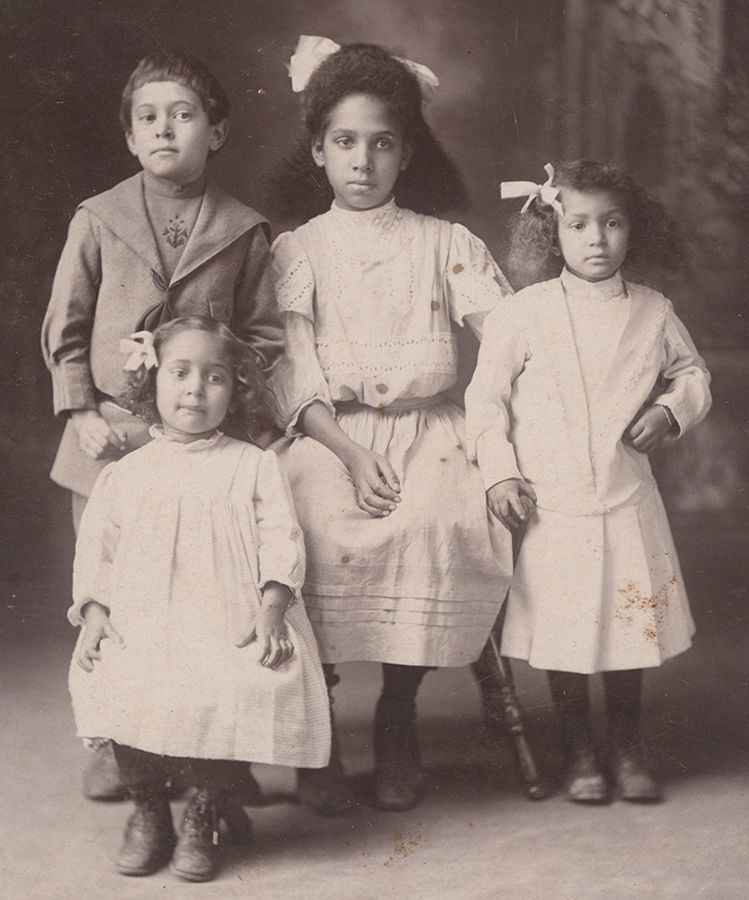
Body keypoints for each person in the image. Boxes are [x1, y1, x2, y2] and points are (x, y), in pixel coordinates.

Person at [267, 37, 513, 814]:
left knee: (442, 517)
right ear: (318, 151)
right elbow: (290, 367)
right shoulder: (297, 250)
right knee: (301, 522)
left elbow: (508, 338)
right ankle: (324, 721)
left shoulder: (446, 243)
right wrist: (344, 449)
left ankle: (399, 709)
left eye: (382, 143)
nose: (363, 161)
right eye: (345, 142)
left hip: (429, 428)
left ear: (407, 153)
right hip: (327, 434)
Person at [41, 51, 282, 800]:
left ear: (216, 131)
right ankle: (124, 744)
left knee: (208, 597)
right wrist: (81, 408)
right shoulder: (99, 218)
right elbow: (66, 324)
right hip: (108, 439)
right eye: (148, 117)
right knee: (121, 594)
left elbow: (265, 339)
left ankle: (221, 746)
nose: (164, 129)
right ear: (129, 137)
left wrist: (221, 397)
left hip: (207, 442)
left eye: (182, 114)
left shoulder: (243, 231)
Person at [466, 160, 712, 803]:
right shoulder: (523, 313)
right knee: (566, 633)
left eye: (613, 222)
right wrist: (500, 474)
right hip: (555, 506)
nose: (597, 238)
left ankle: (627, 747)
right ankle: (579, 752)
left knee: (628, 631)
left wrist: (669, 411)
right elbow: (485, 401)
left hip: (626, 498)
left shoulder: (653, 313)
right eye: (578, 224)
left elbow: (693, 376)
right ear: (553, 231)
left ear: (635, 231)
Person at [68, 316, 330, 882]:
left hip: (227, 617)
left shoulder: (252, 465)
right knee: (123, 678)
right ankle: (150, 809)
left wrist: (271, 607)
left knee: (231, 683)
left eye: (215, 377)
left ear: (236, 389)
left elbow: (281, 537)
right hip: (146, 620)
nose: (195, 389)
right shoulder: (126, 474)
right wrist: (94, 612)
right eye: (181, 373)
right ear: (152, 381)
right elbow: (99, 552)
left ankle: (208, 810)